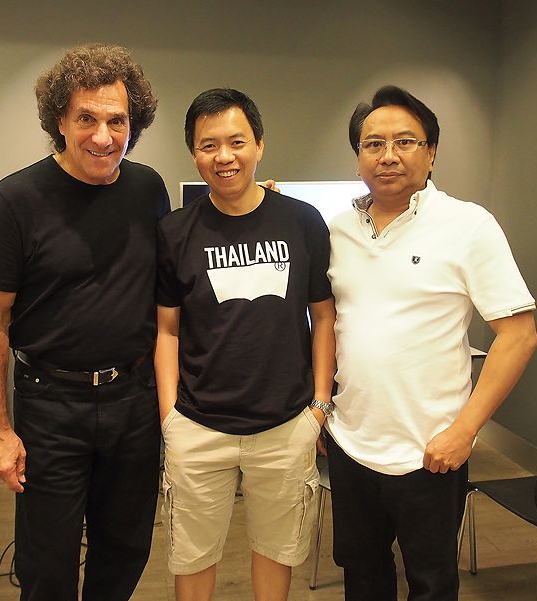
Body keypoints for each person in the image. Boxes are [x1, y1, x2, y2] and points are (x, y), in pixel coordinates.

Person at [0, 44, 170, 601]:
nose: (103, 137)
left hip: (133, 401)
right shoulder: (15, 200)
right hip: (50, 406)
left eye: (117, 121)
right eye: (87, 119)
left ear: (133, 124)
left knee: (126, 550)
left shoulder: (148, 189)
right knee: (48, 564)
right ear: (59, 120)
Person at [326, 85, 537, 601]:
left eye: (405, 141)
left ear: (432, 152)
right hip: (350, 445)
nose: (388, 155)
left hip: (432, 453)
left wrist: (465, 431)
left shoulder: (468, 225)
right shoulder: (337, 231)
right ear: (358, 157)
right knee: (361, 575)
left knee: (431, 582)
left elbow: (519, 335)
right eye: (373, 144)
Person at [155, 88, 336, 601]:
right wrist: (169, 417)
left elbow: (324, 317)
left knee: (277, 552)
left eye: (237, 142)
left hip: (286, 424)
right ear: (194, 153)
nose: (224, 156)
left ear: (259, 144)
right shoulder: (174, 232)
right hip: (197, 426)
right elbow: (166, 330)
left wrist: (319, 406)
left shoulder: (302, 221)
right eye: (208, 145)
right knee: (192, 556)